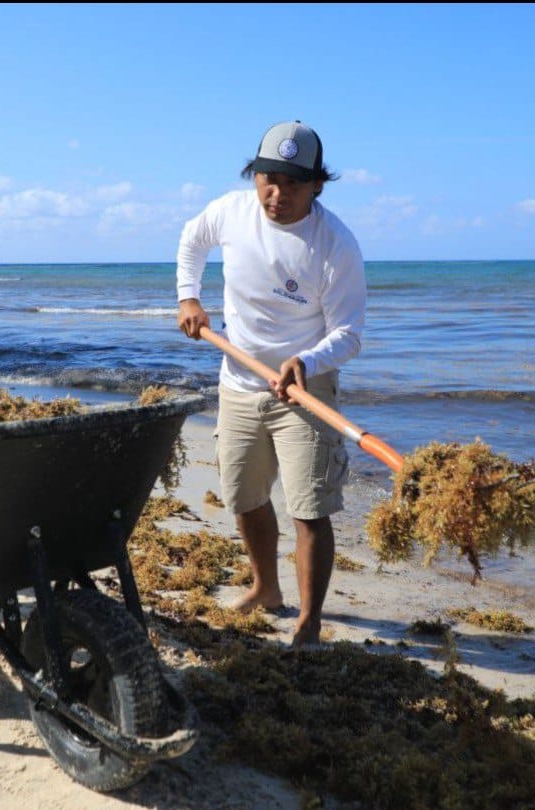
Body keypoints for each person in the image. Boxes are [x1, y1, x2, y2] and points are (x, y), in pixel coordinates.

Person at [175, 120, 367, 647]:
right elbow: (192, 240)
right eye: (267, 179)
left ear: (316, 186)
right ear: (254, 175)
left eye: (292, 183)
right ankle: (266, 589)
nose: (276, 194)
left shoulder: (335, 246)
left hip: (305, 395)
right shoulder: (232, 212)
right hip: (238, 382)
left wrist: (306, 360)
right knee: (244, 495)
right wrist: (188, 297)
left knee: (310, 508)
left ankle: (308, 621)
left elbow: (349, 334)